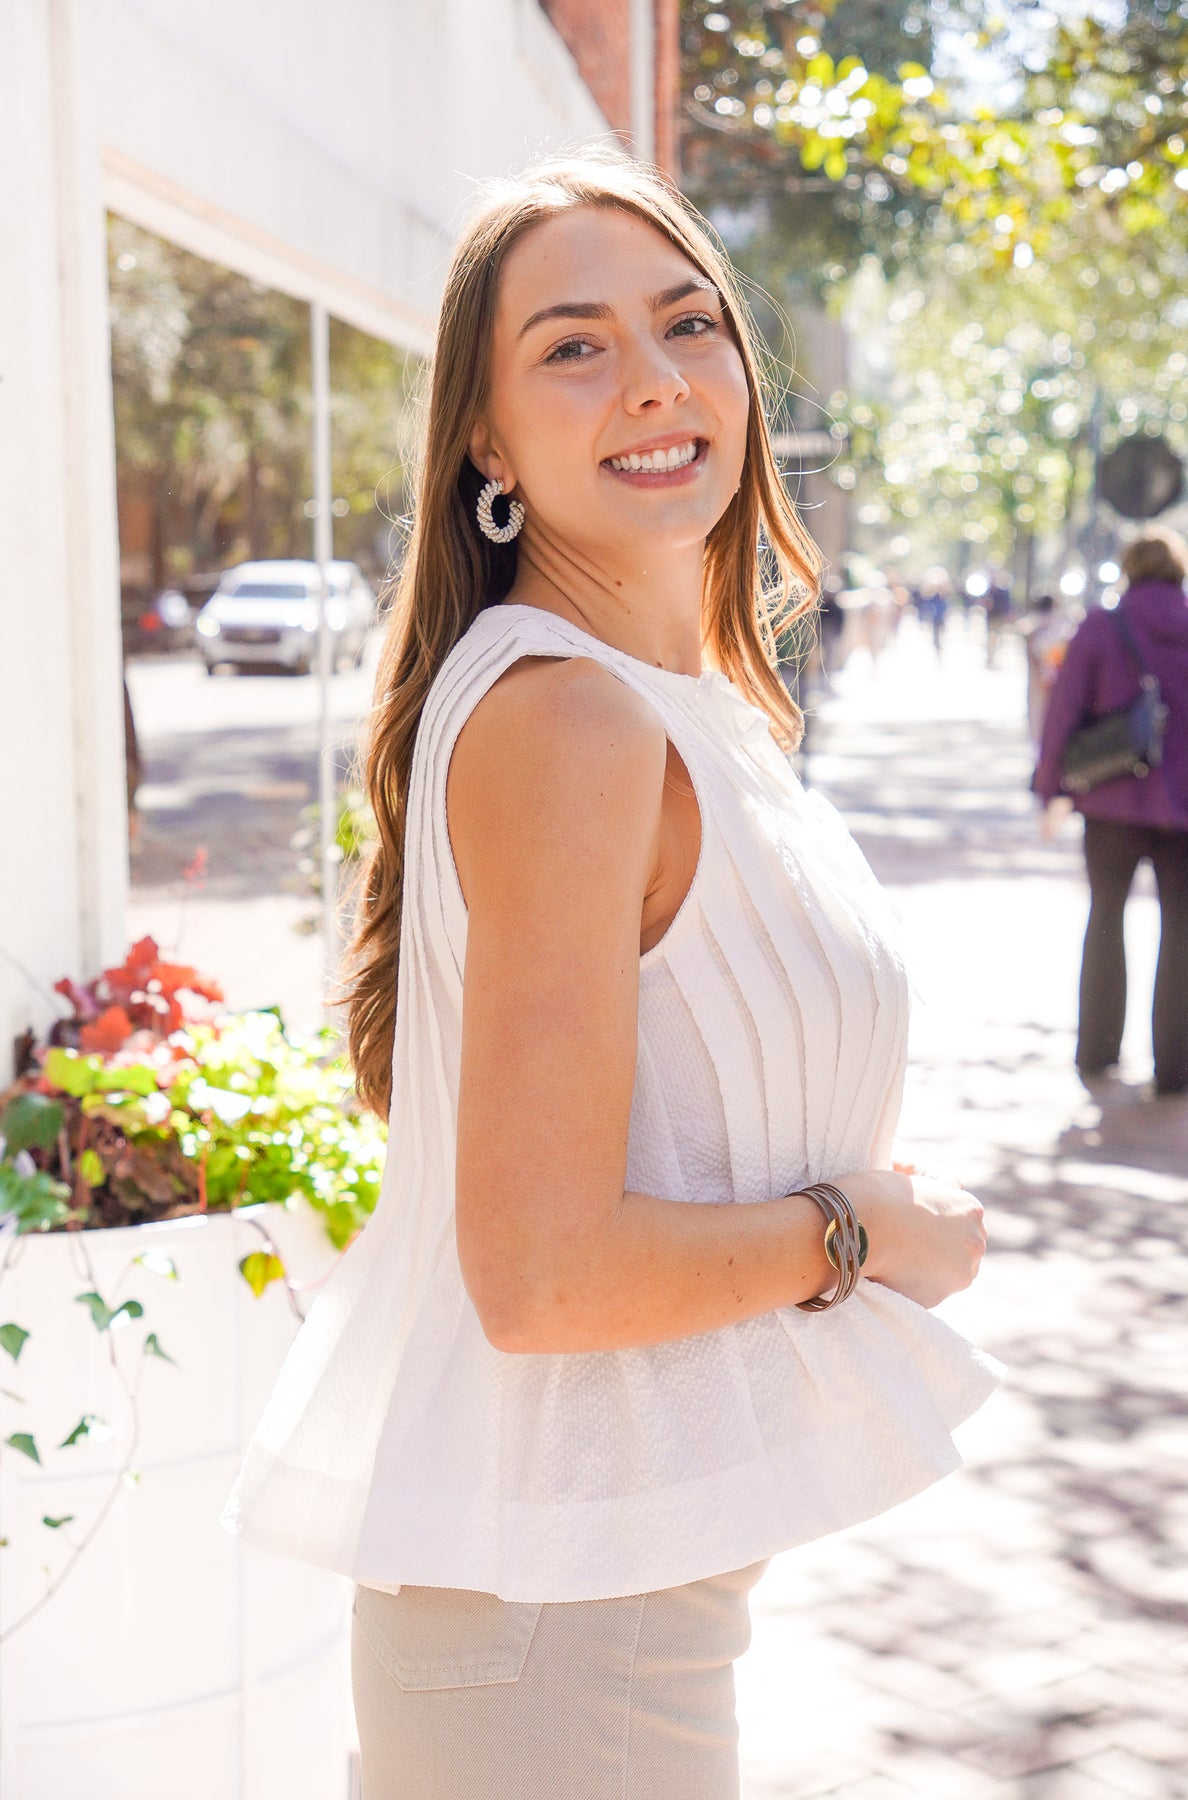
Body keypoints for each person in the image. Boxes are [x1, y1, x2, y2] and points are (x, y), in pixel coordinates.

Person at [219, 150, 999, 1800]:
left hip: (592, 1609)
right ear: (486, 442)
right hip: (560, 1638)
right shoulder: (571, 718)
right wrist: (862, 1236)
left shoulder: (668, 700)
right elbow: (543, 1277)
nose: (650, 377)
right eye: (572, 345)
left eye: (687, 323)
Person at [1033, 529, 1188, 1097]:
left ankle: (1098, 1053)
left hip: (1111, 802)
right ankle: (1177, 1070)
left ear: (1129, 569)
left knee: (1105, 916)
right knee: (1185, 930)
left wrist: (1049, 788)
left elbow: (1063, 710)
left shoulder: (1104, 625)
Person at [1018, 592, 1076, 743]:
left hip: (1041, 683)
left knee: (1038, 718)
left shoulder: (1033, 627)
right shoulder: (1059, 627)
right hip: (1048, 682)